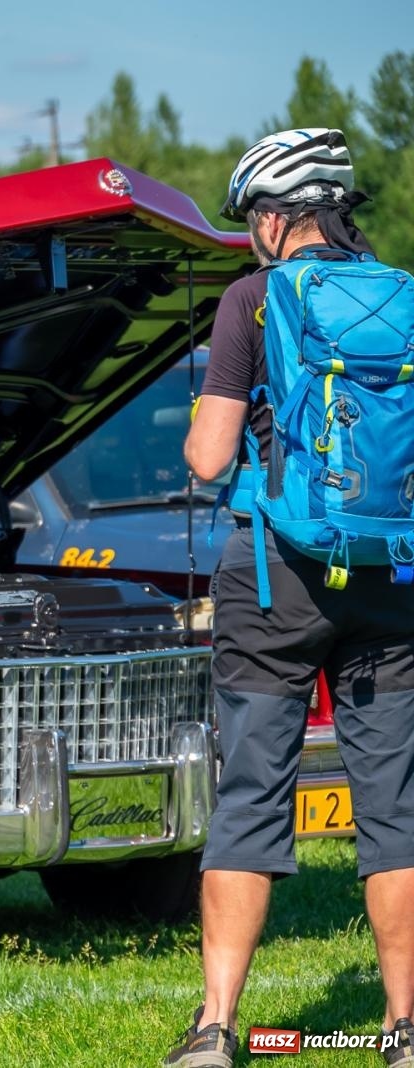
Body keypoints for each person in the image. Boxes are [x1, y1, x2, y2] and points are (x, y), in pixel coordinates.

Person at [168, 128, 414, 1068]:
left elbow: (210, 457)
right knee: (392, 804)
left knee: (251, 795)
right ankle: (399, 1028)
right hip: (391, 582)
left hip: (276, 584)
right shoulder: (401, 297)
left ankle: (218, 1030)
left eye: (251, 221)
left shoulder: (253, 301)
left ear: (277, 216)